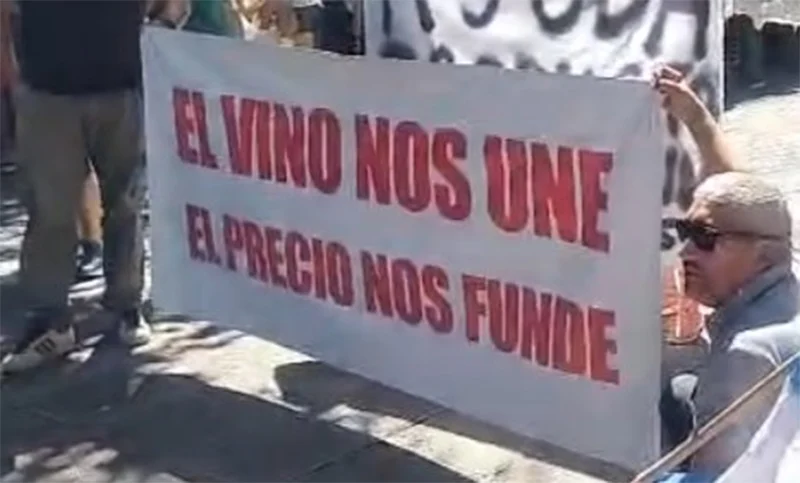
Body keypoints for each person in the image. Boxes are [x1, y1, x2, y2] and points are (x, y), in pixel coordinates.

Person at [655, 67, 799, 474]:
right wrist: (696, 118)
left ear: (762, 255)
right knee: (680, 391)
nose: (685, 251)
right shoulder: (781, 258)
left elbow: (721, 476)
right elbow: (741, 195)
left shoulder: (743, 356)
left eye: (704, 238)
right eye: (685, 232)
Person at [2, 0, 151, 373]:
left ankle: (127, 304)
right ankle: (49, 320)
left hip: (121, 86)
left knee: (125, 203)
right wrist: (11, 74)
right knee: (50, 211)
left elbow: (172, 7)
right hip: (47, 92)